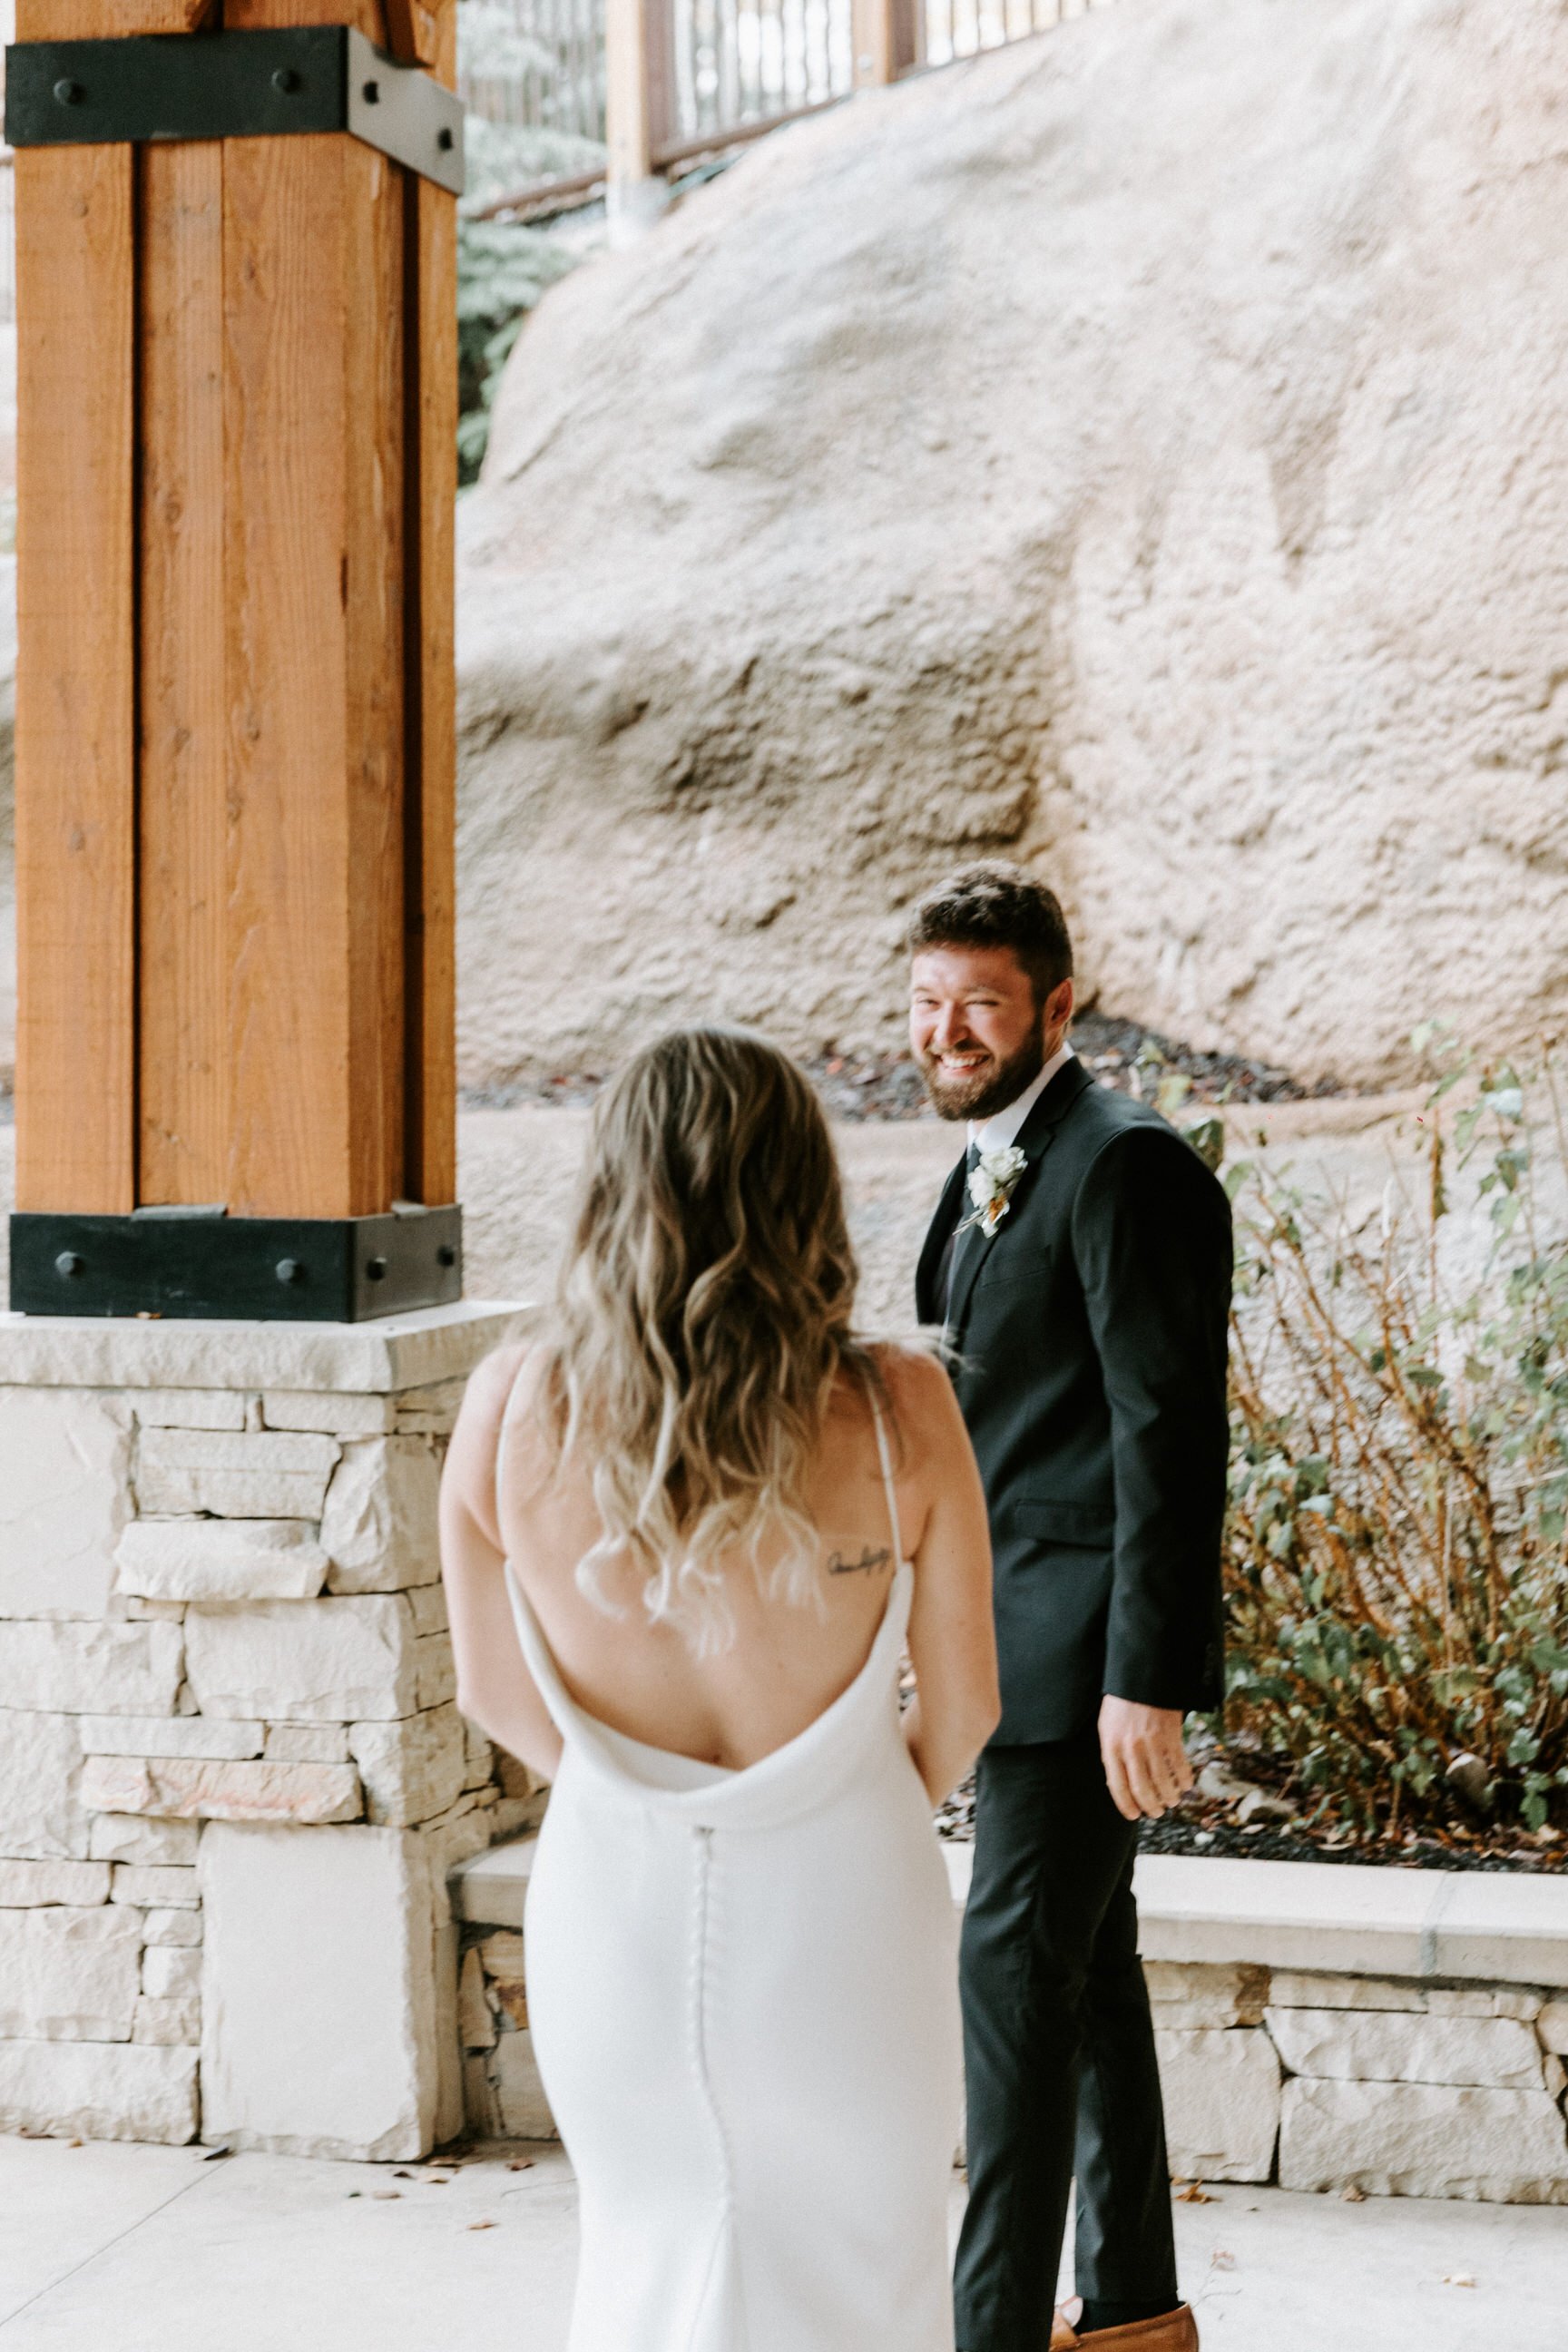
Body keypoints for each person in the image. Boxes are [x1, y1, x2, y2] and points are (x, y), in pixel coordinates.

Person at [441, 1024, 1001, 2352]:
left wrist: (643, 1811)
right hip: (851, 1915)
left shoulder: (511, 1404)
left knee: (650, 2266)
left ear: (612, 1185)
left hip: (612, 1914)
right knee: (872, 2281)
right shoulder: (898, 1407)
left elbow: (492, 1694)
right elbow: (970, 1708)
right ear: (806, 1187)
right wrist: (843, 1800)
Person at [908, 863, 1233, 2352]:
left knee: (1014, 2006)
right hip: (1006, 1649)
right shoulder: (989, 1158)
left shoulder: (1122, 1164)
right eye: (926, 1002)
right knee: (1086, 1985)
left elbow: (1166, 1433)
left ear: (1057, 1001)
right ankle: (1131, 2315)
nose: (947, 1030)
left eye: (978, 1003)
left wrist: (1144, 1676)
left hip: (1078, 1666)